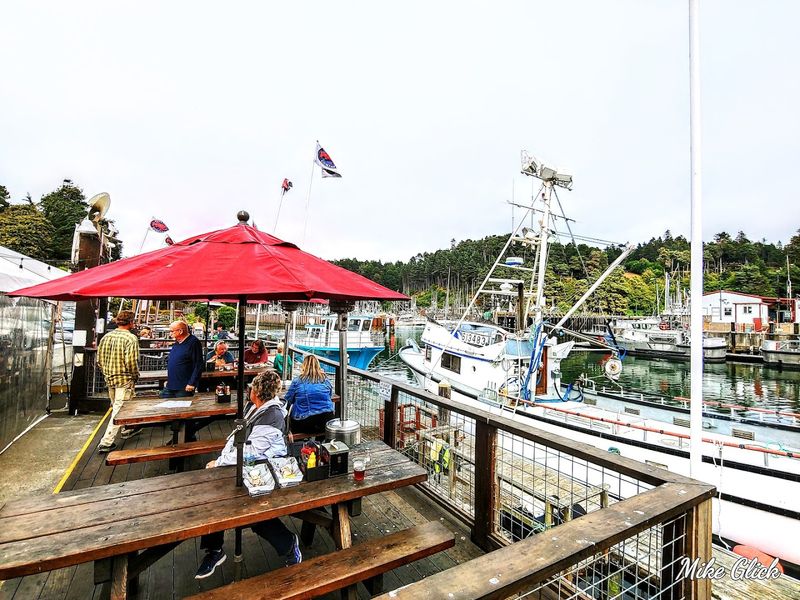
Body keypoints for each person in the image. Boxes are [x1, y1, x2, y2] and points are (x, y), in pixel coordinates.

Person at [195, 370, 301, 579]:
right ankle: (215, 549)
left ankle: (288, 544)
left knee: (247, 509)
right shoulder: (255, 407)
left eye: (251, 387)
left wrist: (219, 462)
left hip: (265, 469)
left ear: (257, 391)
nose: (248, 390)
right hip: (247, 465)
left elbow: (252, 452)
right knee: (217, 498)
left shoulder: (271, 416)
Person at [96, 310, 140, 452]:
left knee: (117, 406)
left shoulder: (106, 337)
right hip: (124, 379)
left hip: (110, 378)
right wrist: (135, 375)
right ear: (131, 322)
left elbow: (99, 360)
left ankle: (126, 429)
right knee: (118, 410)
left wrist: (106, 372)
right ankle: (106, 442)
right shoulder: (131, 338)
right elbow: (131, 362)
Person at [284, 354, 335, 433]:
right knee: (321, 429)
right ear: (318, 365)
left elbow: (288, 401)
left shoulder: (297, 381)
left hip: (304, 421)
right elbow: (330, 395)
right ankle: (320, 443)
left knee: (294, 421)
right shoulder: (325, 379)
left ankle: (299, 444)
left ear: (304, 366)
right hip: (327, 419)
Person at [161, 320, 204, 398]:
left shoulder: (193, 342)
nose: (170, 333)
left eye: (171, 331)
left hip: (184, 386)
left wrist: (192, 383)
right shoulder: (177, 342)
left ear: (180, 331)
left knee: (181, 408)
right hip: (171, 385)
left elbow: (198, 364)